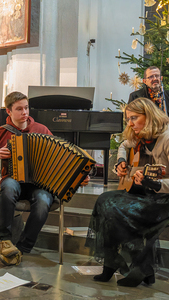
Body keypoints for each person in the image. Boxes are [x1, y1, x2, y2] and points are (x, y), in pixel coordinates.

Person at [0, 91, 90, 266]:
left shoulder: (41, 129)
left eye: (26, 108)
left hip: (39, 183)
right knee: (7, 188)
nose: (24, 112)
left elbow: (59, 158)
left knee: (44, 200)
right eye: (19, 109)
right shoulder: (1, 132)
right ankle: (5, 240)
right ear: (8, 111)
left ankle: (23, 247)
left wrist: (78, 177)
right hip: (13, 179)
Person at [86, 97, 169, 287]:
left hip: (163, 198)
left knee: (119, 210)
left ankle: (141, 269)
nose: (130, 124)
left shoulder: (166, 138)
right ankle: (112, 261)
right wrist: (121, 162)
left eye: (134, 118)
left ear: (148, 117)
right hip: (147, 192)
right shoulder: (141, 135)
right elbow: (124, 145)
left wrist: (156, 185)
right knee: (104, 200)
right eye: (128, 119)